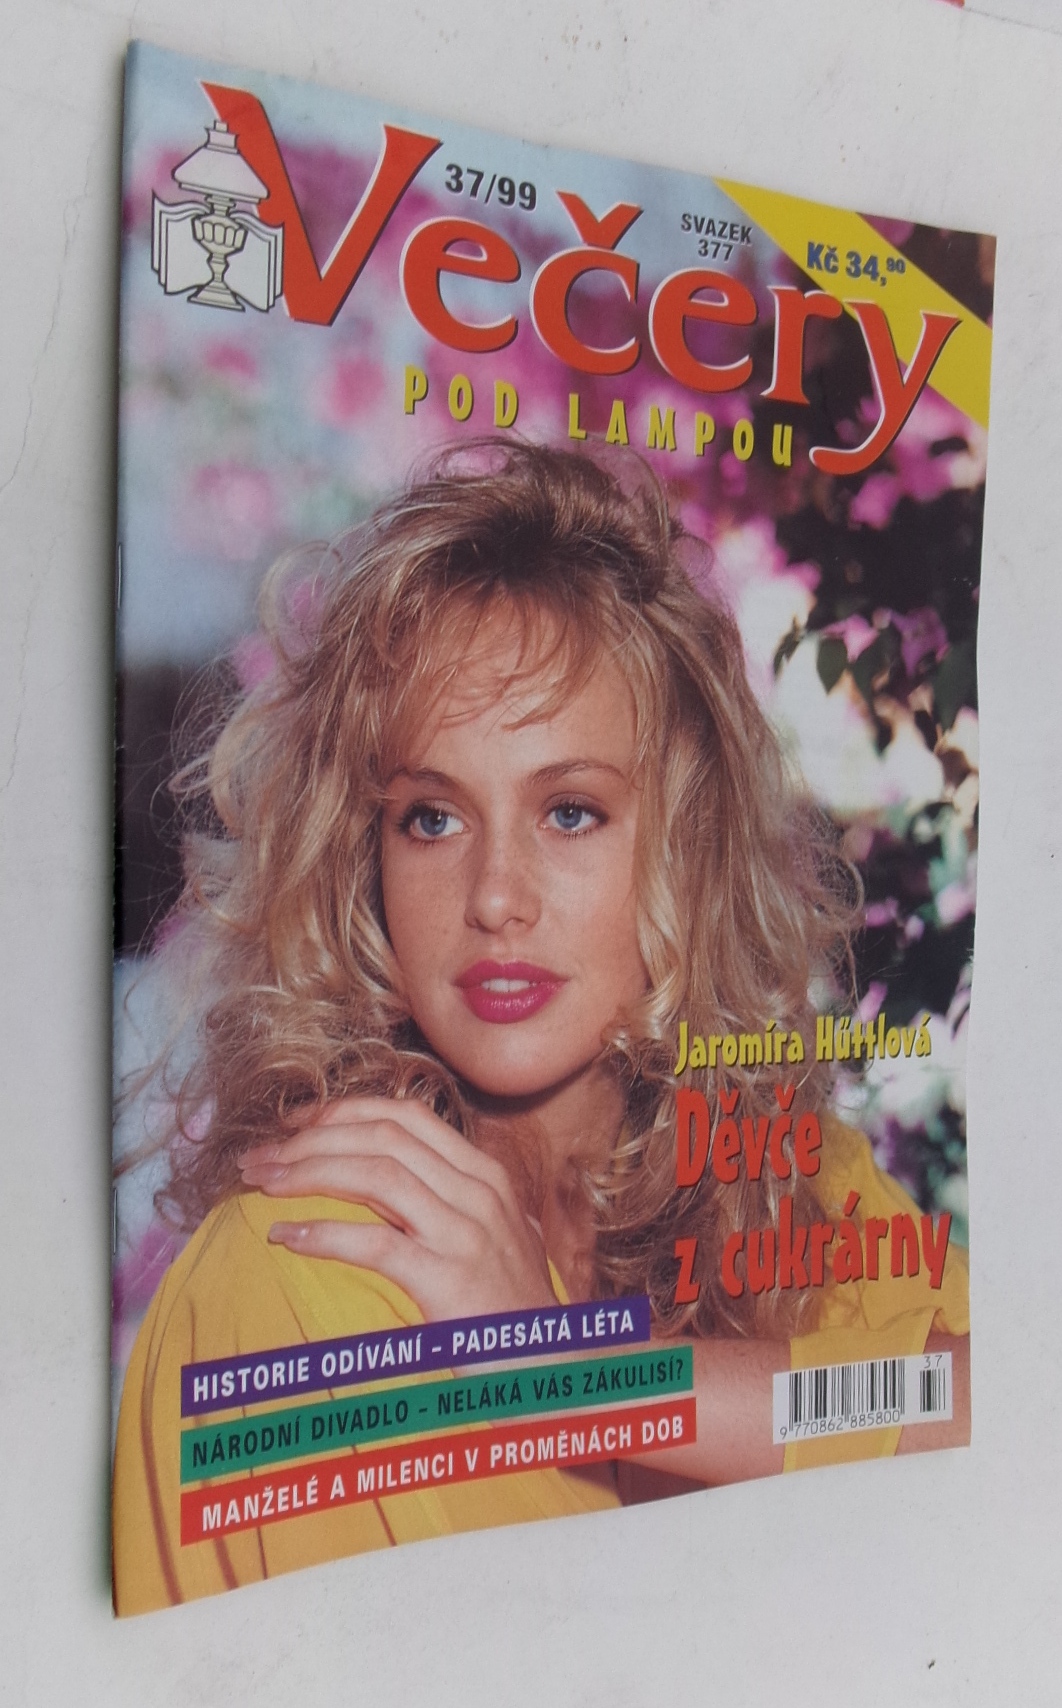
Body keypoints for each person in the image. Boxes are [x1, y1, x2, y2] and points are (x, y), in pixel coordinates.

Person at [112, 440, 968, 1614]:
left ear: (684, 848)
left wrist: (576, 1369)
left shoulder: (789, 1182)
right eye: (431, 818)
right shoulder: (308, 1271)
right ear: (365, 863)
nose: (496, 896)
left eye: (570, 811)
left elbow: (1000, 1413)